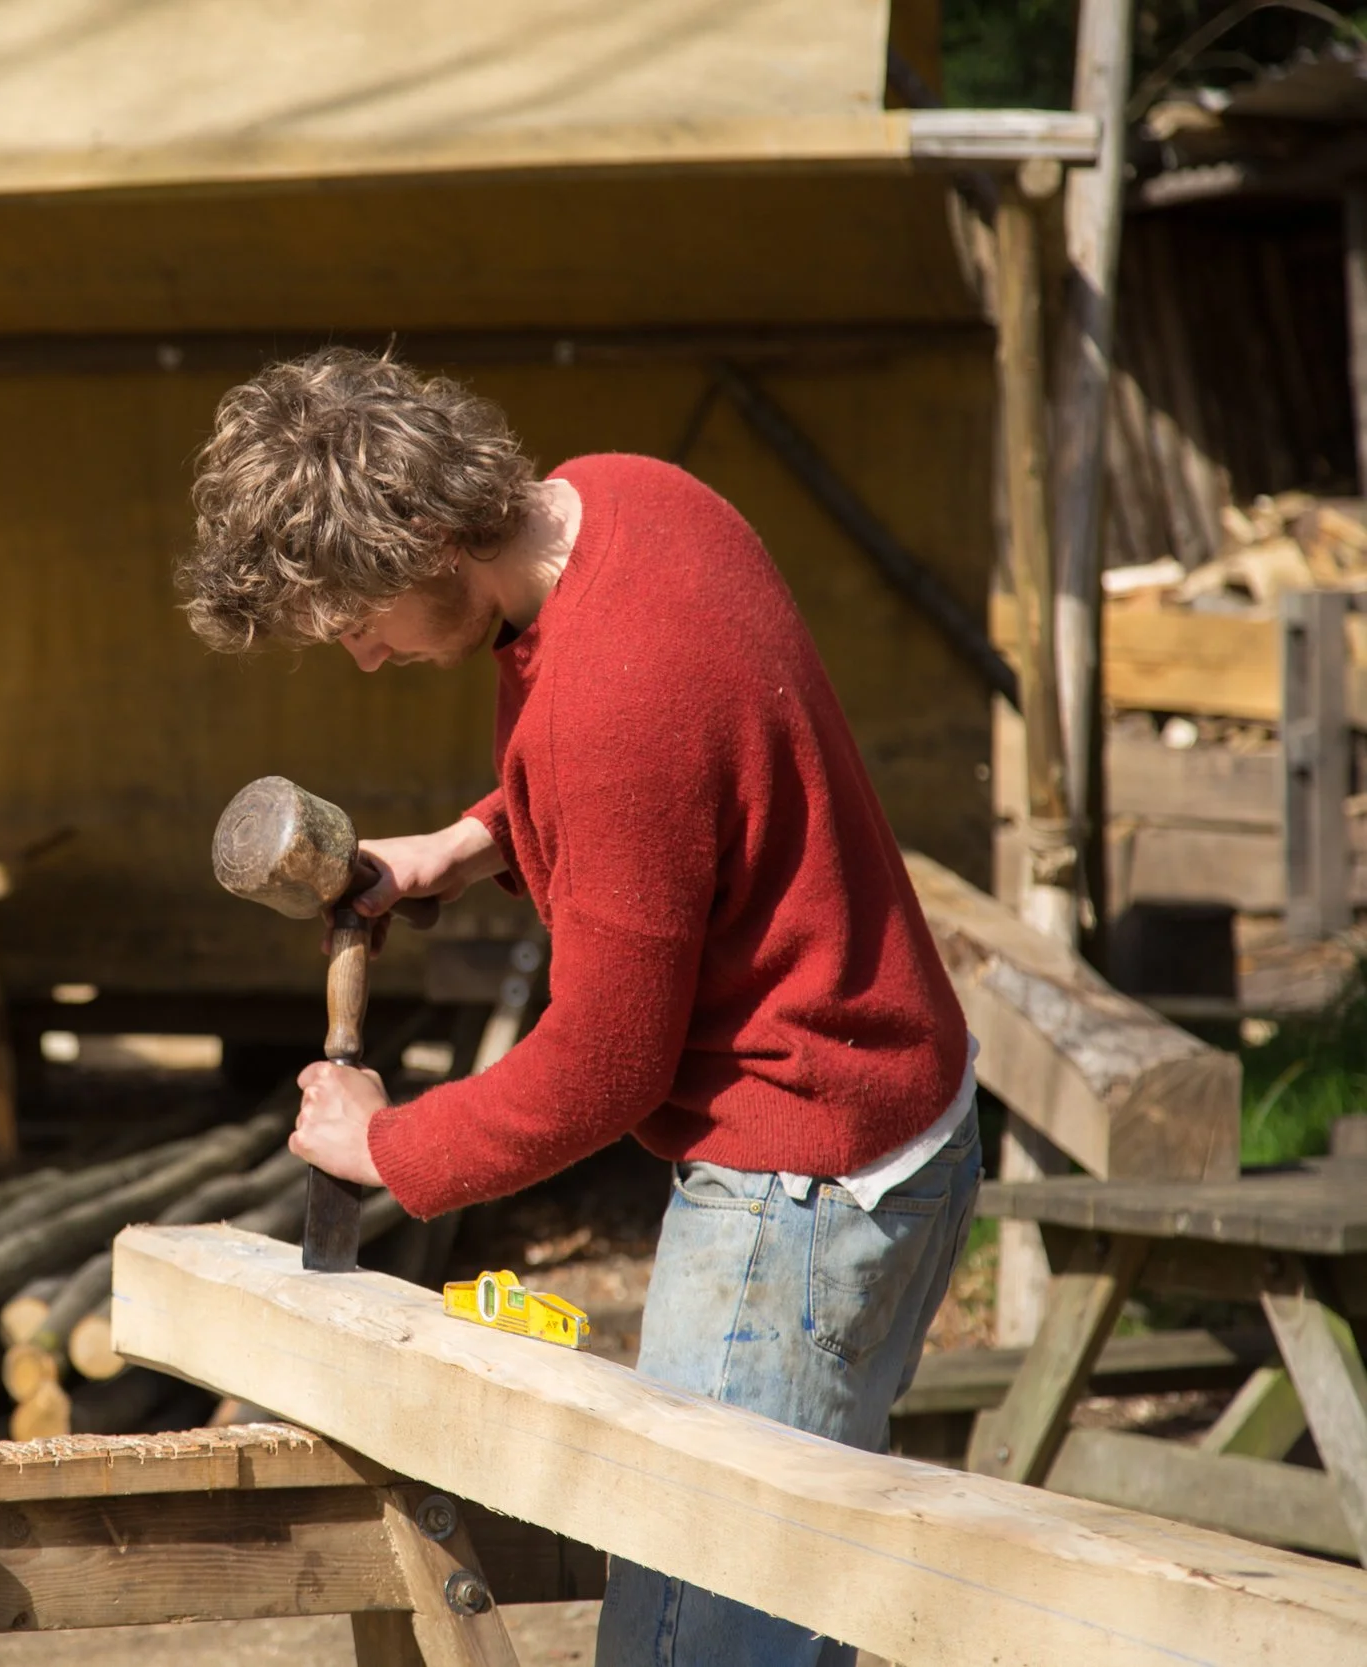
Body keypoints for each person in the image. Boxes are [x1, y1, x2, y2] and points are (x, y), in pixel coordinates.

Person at [177, 347, 980, 1667]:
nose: (367, 660)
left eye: (361, 621)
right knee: (796, 1607)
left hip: (799, 1185)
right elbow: (681, 784)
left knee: (701, 1642)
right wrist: (474, 839)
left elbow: (600, 1070)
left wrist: (385, 1144)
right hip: (902, 1105)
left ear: (429, 540)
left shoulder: (608, 704)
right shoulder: (629, 496)